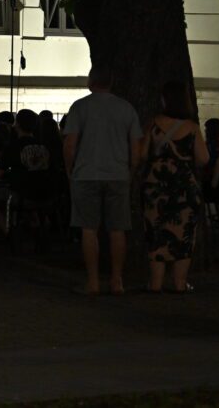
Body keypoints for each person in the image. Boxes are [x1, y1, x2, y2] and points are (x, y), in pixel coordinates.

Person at [63, 65, 143, 296]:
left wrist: (69, 170)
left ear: (91, 81)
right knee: (118, 228)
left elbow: (70, 144)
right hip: (118, 174)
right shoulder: (126, 108)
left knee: (89, 229)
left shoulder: (80, 107)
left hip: (86, 174)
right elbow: (136, 149)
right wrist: (131, 171)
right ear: (111, 82)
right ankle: (117, 280)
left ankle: (93, 281)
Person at [141, 81, 209, 293]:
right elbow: (203, 158)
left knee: (156, 232)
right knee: (184, 233)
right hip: (184, 186)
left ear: (165, 99)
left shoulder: (153, 124)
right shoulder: (192, 127)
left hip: (156, 187)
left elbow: (142, 154)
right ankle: (180, 283)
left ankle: (156, 283)